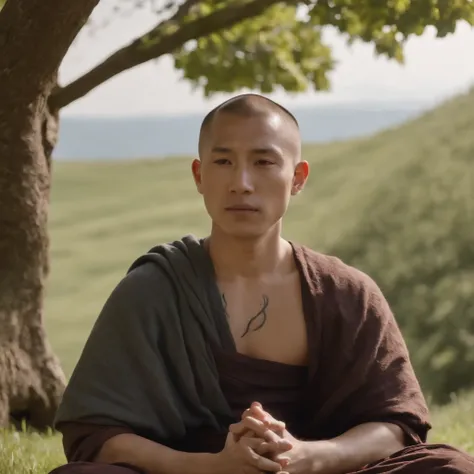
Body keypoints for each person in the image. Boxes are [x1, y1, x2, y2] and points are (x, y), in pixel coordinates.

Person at [49, 94, 474, 474]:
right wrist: (214, 467)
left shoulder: (347, 294)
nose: (242, 182)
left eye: (264, 161)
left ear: (298, 177)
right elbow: (97, 435)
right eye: (223, 161)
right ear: (199, 176)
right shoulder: (155, 290)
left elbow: (396, 426)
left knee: (450, 468)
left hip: (321, 471)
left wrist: (305, 456)